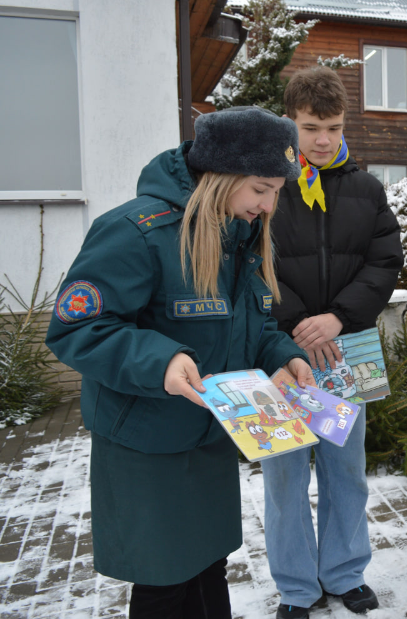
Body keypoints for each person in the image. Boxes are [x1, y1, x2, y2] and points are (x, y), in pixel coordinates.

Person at [45, 107, 314, 619]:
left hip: (207, 439)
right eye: (261, 187)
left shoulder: (240, 235)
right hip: (146, 444)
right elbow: (76, 328)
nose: (269, 204)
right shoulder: (136, 231)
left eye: (278, 190)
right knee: (163, 580)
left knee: (209, 565)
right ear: (223, 173)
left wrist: (284, 358)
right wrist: (162, 360)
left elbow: (248, 327)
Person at [260, 66, 403, 619]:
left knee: (345, 471)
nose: (323, 140)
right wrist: (300, 324)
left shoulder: (367, 190)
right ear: (290, 124)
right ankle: (297, 587)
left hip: (344, 354)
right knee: (286, 478)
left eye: (334, 127)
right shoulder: (269, 188)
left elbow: (385, 260)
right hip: (282, 356)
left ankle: (345, 573)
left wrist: (339, 318)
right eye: (311, 127)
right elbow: (252, 264)